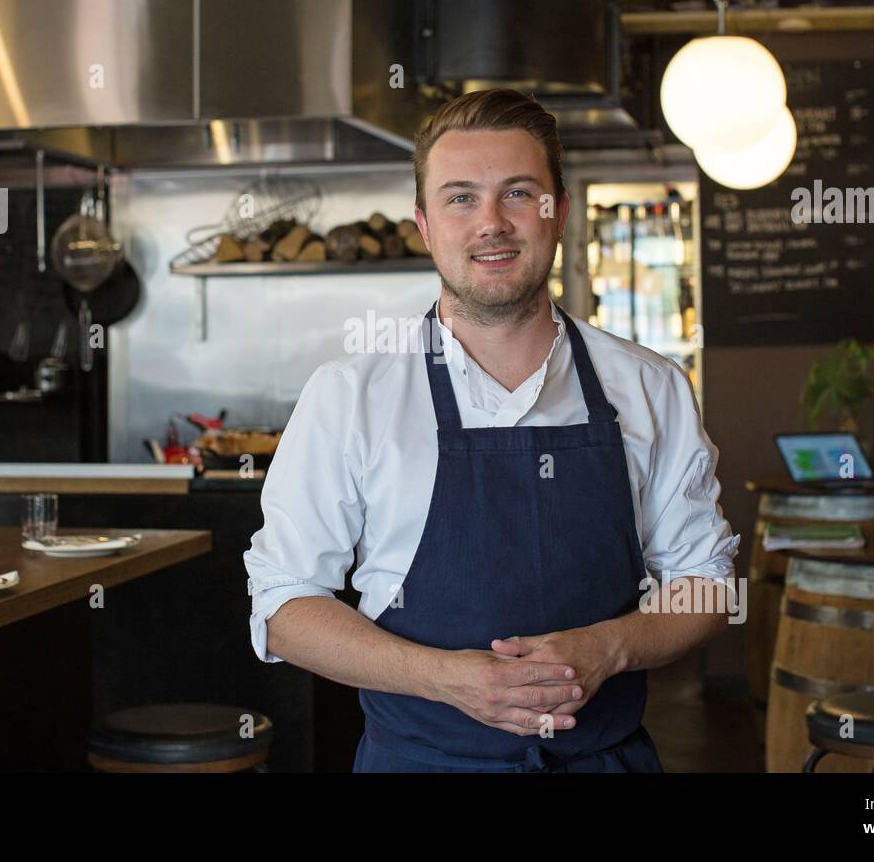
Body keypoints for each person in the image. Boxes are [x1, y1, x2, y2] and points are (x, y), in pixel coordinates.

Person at [244, 87, 739, 772]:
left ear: (558, 212)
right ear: (424, 224)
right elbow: (284, 606)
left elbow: (707, 584)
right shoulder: (350, 396)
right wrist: (443, 679)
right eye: (460, 198)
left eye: (517, 193)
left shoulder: (650, 389)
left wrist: (611, 647)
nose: (491, 223)